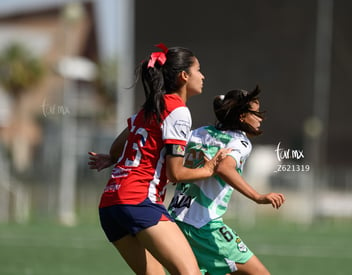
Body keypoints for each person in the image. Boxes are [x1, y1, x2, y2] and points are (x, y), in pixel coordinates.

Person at [88, 44, 229, 275]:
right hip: (139, 200)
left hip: (111, 204)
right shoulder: (178, 111)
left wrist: (113, 158)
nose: (202, 76)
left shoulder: (149, 108)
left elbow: (116, 147)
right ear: (184, 76)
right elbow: (176, 173)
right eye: (198, 70)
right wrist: (209, 169)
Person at [168, 86, 286, 275]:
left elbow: (170, 156)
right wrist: (257, 197)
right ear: (241, 117)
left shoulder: (198, 133)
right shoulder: (240, 142)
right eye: (256, 113)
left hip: (176, 220)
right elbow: (224, 168)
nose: (260, 118)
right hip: (204, 226)